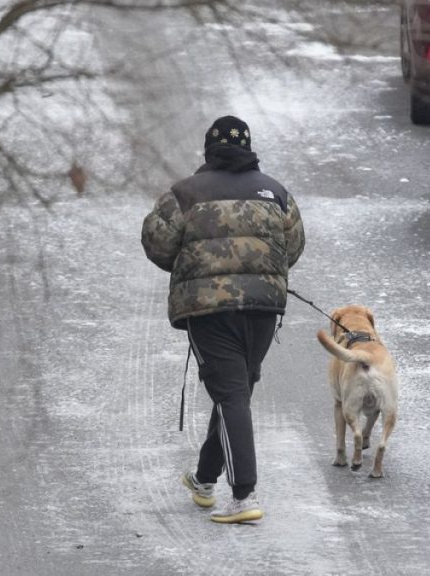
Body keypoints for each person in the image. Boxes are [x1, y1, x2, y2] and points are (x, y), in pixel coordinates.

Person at [141, 115, 305, 524]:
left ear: (209, 150)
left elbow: (157, 243)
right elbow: (294, 246)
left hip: (208, 310)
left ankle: (244, 496)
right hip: (264, 309)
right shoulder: (276, 192)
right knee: (236, 391)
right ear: (248, 148)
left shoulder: (184, 194)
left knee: (231, 393)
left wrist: (195, 266)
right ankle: (204, 479)